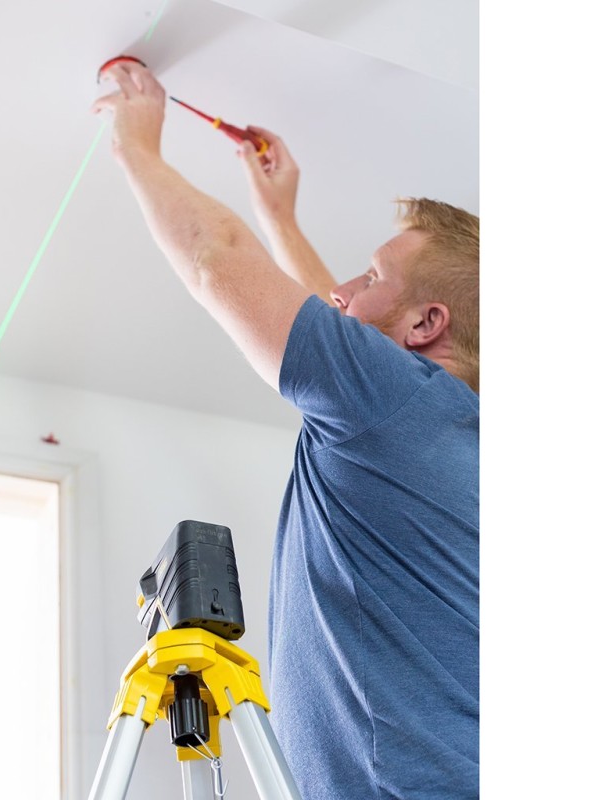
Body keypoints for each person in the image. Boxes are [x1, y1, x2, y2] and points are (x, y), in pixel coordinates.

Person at [93, 61, 479, 800]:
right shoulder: (438, 427)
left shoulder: (391, 402)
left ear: (426, 324)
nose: (343, 290)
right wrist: (282, 218)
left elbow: (217, 259)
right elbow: (339, 327)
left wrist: (135, 145)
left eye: (372, 276)